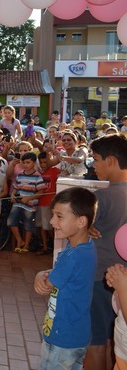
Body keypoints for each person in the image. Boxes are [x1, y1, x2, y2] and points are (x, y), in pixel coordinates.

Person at [34, 187, 97, 370]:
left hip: (62, 339)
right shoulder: (85, 247)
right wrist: (43, 274)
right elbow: (62, 274)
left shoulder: (72, 256)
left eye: (59, 216)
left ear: (81, 221)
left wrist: (40, 276)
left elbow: (46, 285)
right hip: (78, 336)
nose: (53, 221)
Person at [84, 134, 127, 370]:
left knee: (97, 343)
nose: (94, 165)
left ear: (111, 161)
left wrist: (83, 227)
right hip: (123, 283)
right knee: (116, 341)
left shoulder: (102, 198)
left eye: (97, 159)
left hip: (100, 278)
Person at [8, 152, 46, 253]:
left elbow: (41, 191)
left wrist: (29, 198)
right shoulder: (20, 175)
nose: (25, 165)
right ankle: (20, 241)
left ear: (34, 163)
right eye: (24, 162)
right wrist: (12, 194)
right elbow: (15, 187)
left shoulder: (37, 176)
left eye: (28, 162)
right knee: (11, 222)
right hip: (18, 203)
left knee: (28, 226)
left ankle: (26, 246)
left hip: (30, 206)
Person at [36, 151, 60, 256]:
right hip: (40, 202)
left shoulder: (55, 171)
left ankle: (56, 247)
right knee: (41, 226)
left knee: (49, 227)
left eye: (45, 162)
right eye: (41, 162)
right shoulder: (39, 173)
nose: (43, 165)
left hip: (49, 203)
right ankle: (45, 247)